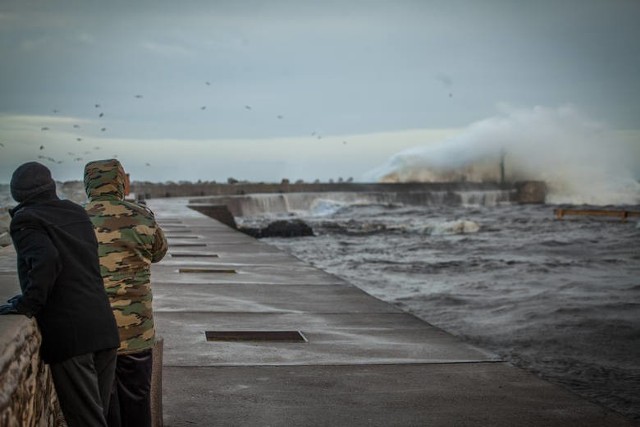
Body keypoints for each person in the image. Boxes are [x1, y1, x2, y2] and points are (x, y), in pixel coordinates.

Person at [0, 161, 120, 426]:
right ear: (51, 186)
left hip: (72, 336)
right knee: (99, 416)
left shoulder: (26, 219)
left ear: (18, 193)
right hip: (103, 327)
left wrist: (28, 302)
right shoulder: (76, 212)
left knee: (86, 421)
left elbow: (47, 259)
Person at [84, 159, 168, 427]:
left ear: (89, 183)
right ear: (120, 182)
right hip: (136, 332)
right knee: (137, 401)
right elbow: (159, 252)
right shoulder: (141, 215)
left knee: (102, 406)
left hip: (95, 331)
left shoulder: (75, 217)